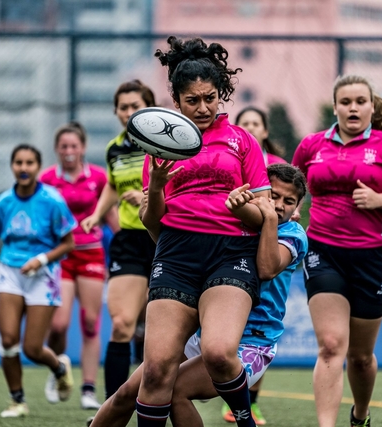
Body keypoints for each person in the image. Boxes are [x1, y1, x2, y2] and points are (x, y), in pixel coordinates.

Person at [88, 163, 308, 427]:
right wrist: (157, 204)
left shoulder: (293, 233)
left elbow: (266, 268)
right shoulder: (232, 222)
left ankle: (245, 418)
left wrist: (269, 218)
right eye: (273, 195)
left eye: (289, 200)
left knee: (176, 390)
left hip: (250, 342)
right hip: (203, 333)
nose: (279, 204)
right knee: (131, 391)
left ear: (298, 207)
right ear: (258, 190)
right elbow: (172, 244)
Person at [136, 35, 271, 427]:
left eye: (210, 98)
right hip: (176, 253)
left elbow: (264, 216)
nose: (203, 108)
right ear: (176, 101)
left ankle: (244, 420)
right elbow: (151, 221)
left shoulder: (242, 140)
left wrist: (242, 205)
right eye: (192, 101)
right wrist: (158, 185)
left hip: (231, 253)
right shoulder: (160, 144)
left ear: (221, 94)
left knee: (217, 352)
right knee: (157, 368)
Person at [292, 75, 382, 427]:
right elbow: (291, 189)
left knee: (360, 356)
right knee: (330, 345)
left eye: (360, 101)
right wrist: (290, 209)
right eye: (345, 102)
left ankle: (360, 414)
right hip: (323, 251)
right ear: (335, 106)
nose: (353, 108)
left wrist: (379, 199)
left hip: (374, 258)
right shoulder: (311, 145)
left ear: (371, 106)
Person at [0, 144, 76, 418]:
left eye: (30, 163)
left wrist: (41, 260)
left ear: (38, 167)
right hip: (10, 273)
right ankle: (17, 401)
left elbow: (69, 243)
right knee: (7, 340)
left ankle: (59, 369)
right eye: (18, 162)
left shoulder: (52, 200)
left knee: (32, 348)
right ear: (12, 166)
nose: (24, 168)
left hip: (44, 275)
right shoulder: (4, 201)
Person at [80, 79, 157, 400]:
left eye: (134, 106)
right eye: (123, 107)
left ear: (148, 108)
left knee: (160, 332)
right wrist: (98, 214)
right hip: (128, 240)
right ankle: (112, 409)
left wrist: (148, 196)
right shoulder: (115, 148)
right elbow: (112, 184)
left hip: (165, 239)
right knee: (122, 324)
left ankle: (159, 398)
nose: (128, 112)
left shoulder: (165, 144)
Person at [219, 106, 288, 426]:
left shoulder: (277, 168)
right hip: (232, 248)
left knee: (259, 326)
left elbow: (290, 200)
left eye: (255, 123)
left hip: (267, 246)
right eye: (243, 123)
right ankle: (236, 400)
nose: (249, 127)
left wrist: (279, 215)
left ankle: (249, 404)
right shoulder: (231, 159)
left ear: (264, 131)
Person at [39, 122, 110, 410]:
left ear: (82, 147)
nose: (69, 151)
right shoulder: (46, 179)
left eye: (74, 146)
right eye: (64, 146)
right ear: (57, 149)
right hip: (61, 256)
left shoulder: (99, 177)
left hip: (92, 254)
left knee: (91, 323)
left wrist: (124, 245)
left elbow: (111, 213)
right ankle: (57, 371)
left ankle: (88, 389)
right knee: (58, 324)